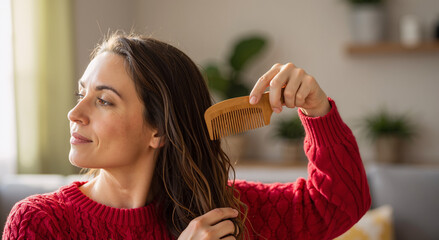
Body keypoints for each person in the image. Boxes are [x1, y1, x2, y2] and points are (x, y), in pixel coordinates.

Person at [2, 33, 371, 240]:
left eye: (103, 101)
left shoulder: (226, 212)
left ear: (159, 130)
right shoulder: (40, 224)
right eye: (80, 94)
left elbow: (339, 204)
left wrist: (317, 110)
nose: (74, 113)